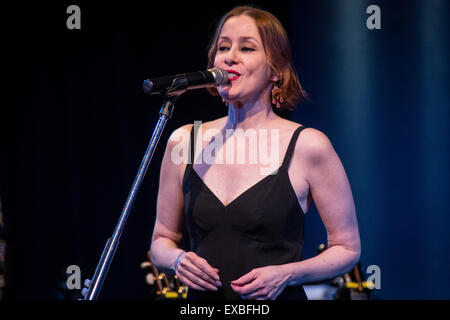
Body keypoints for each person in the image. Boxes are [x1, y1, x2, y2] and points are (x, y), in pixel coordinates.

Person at [150, 5, 360, 300]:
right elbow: (161, 240)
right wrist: (177, 260)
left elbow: (347, 248)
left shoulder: (308, 145)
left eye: (246, 48)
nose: (230, 56)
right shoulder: (183, 141)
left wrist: (288, 273)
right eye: (223, 47)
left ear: (276, 69)